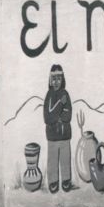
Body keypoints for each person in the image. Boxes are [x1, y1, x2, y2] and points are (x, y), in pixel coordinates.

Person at [43, 64, 73, 193]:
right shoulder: (49, 95)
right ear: (50, 80)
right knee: (53, 160)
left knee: (65, 159)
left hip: (65, 135)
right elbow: (48, 117)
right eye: (53, 79)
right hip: (52, 136)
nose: (56, 82)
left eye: (59, 79)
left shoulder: (65, 93)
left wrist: (59, 117)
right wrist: (60, 104)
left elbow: (68, 114)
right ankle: (53, 181)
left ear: (63, 79)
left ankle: (66, 180)